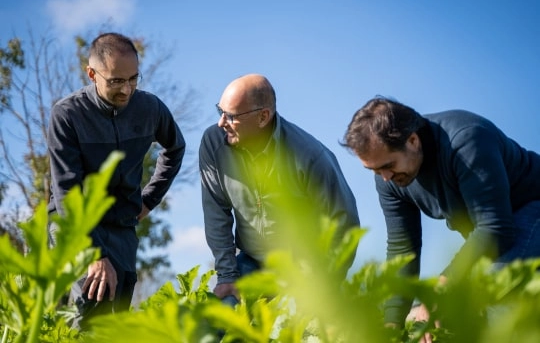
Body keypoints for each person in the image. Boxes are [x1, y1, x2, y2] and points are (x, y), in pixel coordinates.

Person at [341, 96, 540, 342]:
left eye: (388, 165)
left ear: (413, 140)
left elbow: (495, 228)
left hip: (528, 208)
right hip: (496, 230)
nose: (384, 177)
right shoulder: (389, 178)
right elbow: (403, 250)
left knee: (496, 295)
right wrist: (392, 323)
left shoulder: (466, 141)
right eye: (374, 170)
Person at [47, 32, 186, 328]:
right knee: (88, 312)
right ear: (92, 74)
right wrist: (93, 254)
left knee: (118, 321)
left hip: (122, 227)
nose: (126, 90)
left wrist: (149, 199)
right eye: (115, 82)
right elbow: (67, 192)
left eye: (133, 79)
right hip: (75, 224)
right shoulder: (67, 115)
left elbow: (175, 148)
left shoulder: (150, 109)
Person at [199, 73, 361, 305]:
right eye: (220, 111)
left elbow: (344, 224)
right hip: (250, 264)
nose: (221, 123)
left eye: (231, 116)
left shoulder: (311, 156)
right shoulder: (214, 143)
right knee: (215, 323)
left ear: (263, 116)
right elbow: (216, 212)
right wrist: (226, 275)